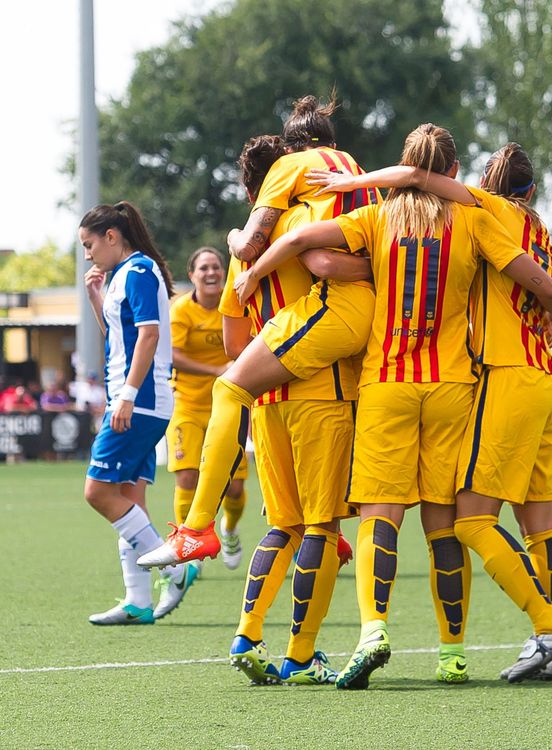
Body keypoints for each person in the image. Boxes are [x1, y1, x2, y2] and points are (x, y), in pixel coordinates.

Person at [235, 125, 552, 689]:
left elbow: (306, 248)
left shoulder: (376, 218)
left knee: (380, 517)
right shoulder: (474, 220)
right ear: (454, 171)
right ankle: (453, 654)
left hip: (388, 382)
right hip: (453, 385)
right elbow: (535, 281)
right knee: (446, 524)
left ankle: (373, 631)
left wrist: (253, 268)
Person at [136, 96, 380, 571]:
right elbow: (334, 259)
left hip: (292, 375)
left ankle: (197, 529)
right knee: (323, 527)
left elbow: (253, 254)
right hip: (349, 361)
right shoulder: (359, 177)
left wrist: (235, 242)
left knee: (231, 391)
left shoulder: (289, 186)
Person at [211, 133, 380, 686]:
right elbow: (336, 267)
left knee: (282, 526)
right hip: (321, 393)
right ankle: (301, 655)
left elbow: (234, 345)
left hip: (265, 401)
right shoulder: (311, 220)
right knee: (320, 526)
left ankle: (246, 634)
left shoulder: (244, 251)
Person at [77, 202, 199, 625]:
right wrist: (95, 298)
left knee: (97, 492)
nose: (87, 255)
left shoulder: (140, 271)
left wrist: (127, 396)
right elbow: (120, 336)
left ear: (112, 236)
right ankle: (138, 601)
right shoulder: (120, 276)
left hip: (140, 402)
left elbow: (149, 335)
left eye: (89, 245)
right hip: (135, 401)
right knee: (129, 499)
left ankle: (175, 568)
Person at [166, 248, 247, 569]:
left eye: (216, 266)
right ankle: (187, 544)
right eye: (204, 268)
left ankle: (229, 529)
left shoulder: (235, 304)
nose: (211, 272)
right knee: (187, 477)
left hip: (228, 406)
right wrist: (216, 370)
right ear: (192, 275)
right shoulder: (181, 309)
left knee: (235, 487)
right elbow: (172, 354)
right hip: (187, 405)